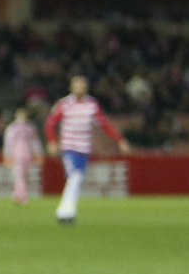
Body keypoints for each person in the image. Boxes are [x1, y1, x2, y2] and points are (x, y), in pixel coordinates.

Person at [44, 75, 131, 225]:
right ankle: (66, 212)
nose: (80, 88)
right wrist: (52, 142)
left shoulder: (92, 104)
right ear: (71, 88)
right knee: (75, 176)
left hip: (84, 148)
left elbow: (104, 124)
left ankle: (66, 211)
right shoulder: (64, 104)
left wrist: (120, 140)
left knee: (76, 179)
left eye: (82, 86)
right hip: (69, 147)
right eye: (77, 85)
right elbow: (50, 124)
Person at [1, 108, 42, 205]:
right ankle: (22, 196)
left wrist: (38, 153)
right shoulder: (12, 128)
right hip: (16, 154)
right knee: (19, 175)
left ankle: (17, 194)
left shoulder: (30, 127)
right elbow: (8, 143)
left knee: (25, 175)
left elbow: (35, 142)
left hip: (27, 154)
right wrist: (7, 155)